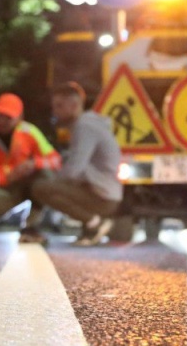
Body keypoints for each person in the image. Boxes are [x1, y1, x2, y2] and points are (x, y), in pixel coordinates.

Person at [31, 82, 122, 246]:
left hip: (102, 197)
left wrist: (52, 178)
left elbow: (73, 170)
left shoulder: (84, 127)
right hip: (104, 192)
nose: (55, 112)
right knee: (54, 185)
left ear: (74, 105)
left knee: (41, 187)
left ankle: (95, 223)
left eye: (59, 106)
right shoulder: (87, 124)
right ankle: (90, 227)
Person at [0, 93, 61, 244]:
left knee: (46, 178)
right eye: (0, 115)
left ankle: (31, 226)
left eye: (8, 117)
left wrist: (33, 163)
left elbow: (56, 161)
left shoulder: (29, 132)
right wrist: (6, 176)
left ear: (19, 118)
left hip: (20, 186)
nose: (3, 121)